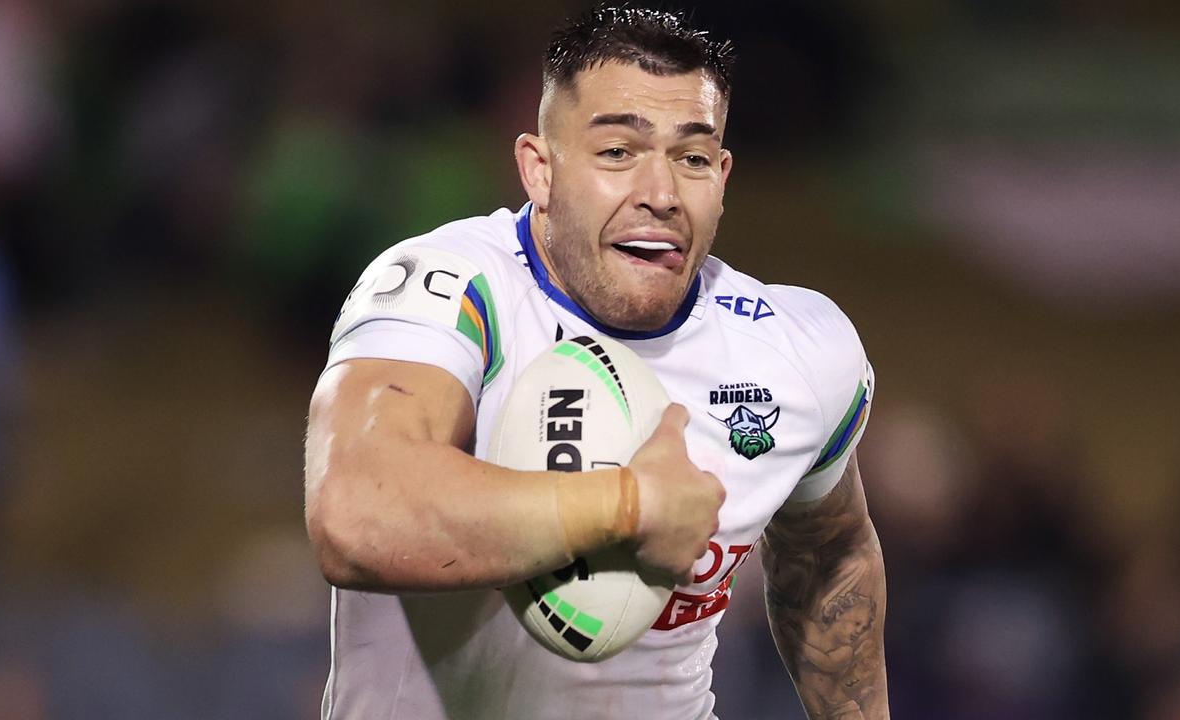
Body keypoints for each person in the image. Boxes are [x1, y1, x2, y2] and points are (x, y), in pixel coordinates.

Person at [304, 6, 889, 719]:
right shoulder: (453, 290)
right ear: (539, 170)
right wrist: (631, 507)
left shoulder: (799, 348)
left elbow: (831, 555)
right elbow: (358, 511)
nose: (662, 194)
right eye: (618, 152)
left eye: (693, 158)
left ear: (724, 178)